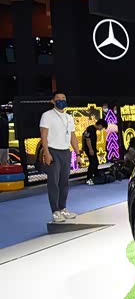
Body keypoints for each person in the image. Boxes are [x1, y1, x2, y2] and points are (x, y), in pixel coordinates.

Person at [40, 92, 79, 223]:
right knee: (53, 182)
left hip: (65, 152)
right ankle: (55, 211)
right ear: (53, 101)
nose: (61, 100)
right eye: (58, 98)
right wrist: (47, 153)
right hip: (53, 151)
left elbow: (73, 136)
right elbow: (44, 136)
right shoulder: (47, 115)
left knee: (64, 182)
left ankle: (63, 208)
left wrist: (78, 154)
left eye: (63, 98)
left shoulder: (69, 117)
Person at [82, 116, 108, 185]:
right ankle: (89, 178)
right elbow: (88, 139)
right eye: (102, 127)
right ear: (100, 125)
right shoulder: (91, 129)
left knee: (95, 162)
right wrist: (90, 149)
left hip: (92, 149)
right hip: (89, 149)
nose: (101, 129)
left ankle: (96, 176)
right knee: (93, 163)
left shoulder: (93, 129)